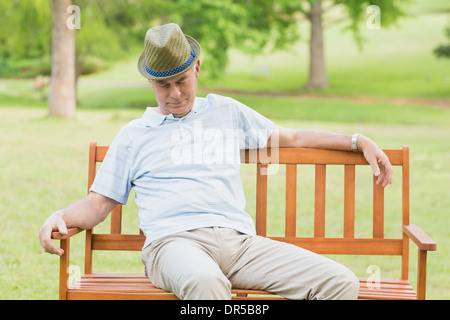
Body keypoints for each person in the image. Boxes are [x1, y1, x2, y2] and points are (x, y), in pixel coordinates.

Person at [39, 23, 393, 300]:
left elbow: (293, 138)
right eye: (163, 86)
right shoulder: (135, 134)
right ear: (150, 81)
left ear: (197, 68)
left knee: (340, 284)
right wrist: (61, 216)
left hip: (240, 245)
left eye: (181, 80)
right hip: (173, 245)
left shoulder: (225, 111)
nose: (175, 94)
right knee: (207, 284)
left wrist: (356, 140)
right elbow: (98, 203)